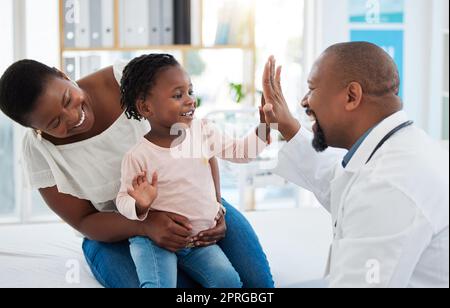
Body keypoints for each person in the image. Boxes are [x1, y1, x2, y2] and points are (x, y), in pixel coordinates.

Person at [0, 58, 274, 288]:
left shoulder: (126, 80)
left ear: (63, 75)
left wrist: (216, 207)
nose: (73, 117)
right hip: (115, 232)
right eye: (55, 122)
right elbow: (84, 221)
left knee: (257, 285)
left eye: (67, 99)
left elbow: (198, 144)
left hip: (192, 206)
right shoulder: (39, 152)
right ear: (36, 128)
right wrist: (145, 224)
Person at [261, 42, 449, 288]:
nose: (304, 102)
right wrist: (287, 126)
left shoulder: (388, 186)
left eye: (311, 89)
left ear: (352, 96)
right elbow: (339, 181)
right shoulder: (399, 148)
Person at [116, 54, 270, 288]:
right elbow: (122, 200)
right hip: (155, 242)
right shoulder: (138, 156)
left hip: (198, 241)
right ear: (146, 107)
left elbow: (241, 152)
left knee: (228, 282)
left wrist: (266, 126)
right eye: (178, 95)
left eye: (190, 91)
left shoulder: (203, 131)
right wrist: (140, 205)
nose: (189, 100)